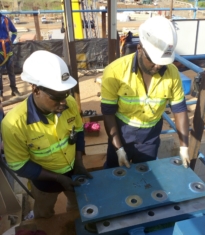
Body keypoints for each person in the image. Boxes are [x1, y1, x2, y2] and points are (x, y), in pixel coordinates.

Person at [1, 50, 92, 219]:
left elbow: (78, 131)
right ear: (35, 90)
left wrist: (78, 162)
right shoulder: (14, 124)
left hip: (73, 171)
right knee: (44, 215)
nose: (64, 102)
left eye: (66, 93)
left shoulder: (69, 103)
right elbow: (19, 165)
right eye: (57, 96)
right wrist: (58, 178)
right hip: (43, 181)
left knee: (78, 208)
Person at [101, 16, 190, 169]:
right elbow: (108, 112)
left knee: (146, 176)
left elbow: (180, 110)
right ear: (140, 48)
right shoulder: (114, 72)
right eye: (153, 60)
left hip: (150, 137)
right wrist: (118, 148)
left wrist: (184, 147)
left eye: (162, 62)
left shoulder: (172, 73)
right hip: (121, 132)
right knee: (115, 174)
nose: (157, 66)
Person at [0, 13, 21, 102]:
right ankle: (0, 93)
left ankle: (14, 89)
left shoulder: (6, 20)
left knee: (11, 71)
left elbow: (14, 31)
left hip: (8, 50)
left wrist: (11, 40)